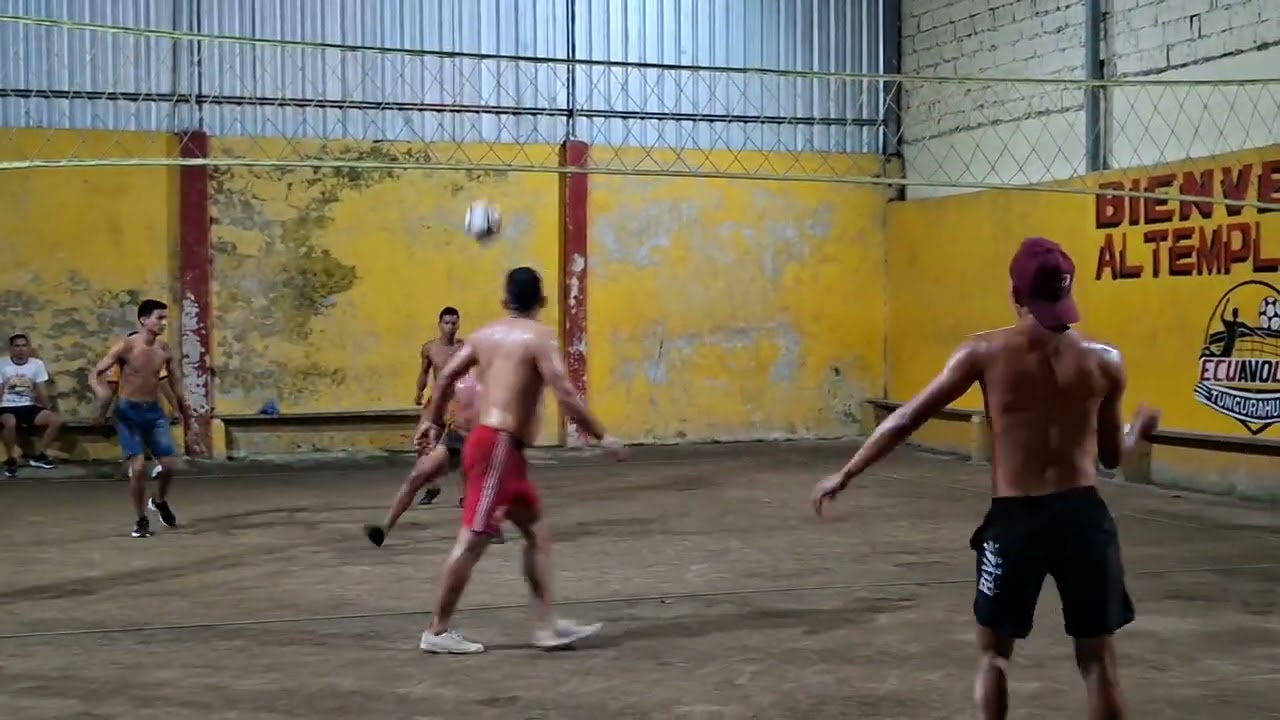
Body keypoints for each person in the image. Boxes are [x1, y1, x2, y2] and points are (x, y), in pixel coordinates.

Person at [812, 237, 1159, 720]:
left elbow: (906, 418)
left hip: (1017, 520)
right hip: (1083, 518)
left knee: (995, 656)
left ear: (1015, 294)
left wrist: (845, 472)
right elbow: (1110, 458)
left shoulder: (985, 352)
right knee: (1099, 662)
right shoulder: (1105, 362)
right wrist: (1136, 433)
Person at [414, 266, 628, 654]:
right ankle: (437, 630)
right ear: (542, 302)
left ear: (504, 301)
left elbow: (444, 379)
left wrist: (430, 422)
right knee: (473, 540)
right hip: (497, 448)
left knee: (537, 534)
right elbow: (564, 392)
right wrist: (603, 435)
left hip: (502, 450)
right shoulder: (539, 336)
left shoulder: (482, 336)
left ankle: (546, 627)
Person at [88, 299, 195, 539]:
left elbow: (172, 383)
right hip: (128, 413)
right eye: (159, 318)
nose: (164, 323)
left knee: (169, 466)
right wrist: (101, 399)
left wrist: (181, 411)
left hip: (154, 413)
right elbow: (95, 373)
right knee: (137, 469)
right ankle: (140, 519)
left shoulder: (164, 350)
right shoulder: (126, 347)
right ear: (144, 320)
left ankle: (158, 501)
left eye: (166, 318)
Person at [364, 369, 484, 547]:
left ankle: (486, 525)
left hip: (481, 439)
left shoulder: (496, 376)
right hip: (453, 436)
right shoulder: (457, 376)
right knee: (416, 476)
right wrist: (431, 428)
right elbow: (437, 408)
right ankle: (384, 528)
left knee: (474, 490)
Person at [106, 330, 180, 482]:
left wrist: (104, 412)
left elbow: (165, 385)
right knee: (144, 444)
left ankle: (143, 468)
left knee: (140, 444)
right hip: (136, 408)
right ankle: (143, 467)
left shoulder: (149, 361)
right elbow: (112, 389)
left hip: (140, 409)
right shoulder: (124, 364)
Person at [413, 306, 467, 508]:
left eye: (454, 323)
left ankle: (466, 494)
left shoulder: (465, 348)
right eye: (446, 323)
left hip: (458, 402)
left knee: (464, 449)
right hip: (436, 401)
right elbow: (423, 372)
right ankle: (432, 486)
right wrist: (419, 391)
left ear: (458, 324)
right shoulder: (430, 348)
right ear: (439, 324)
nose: (450, 327)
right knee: (423, 442)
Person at [0, 333, 64, 477]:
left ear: (28, 348)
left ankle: (39, 455)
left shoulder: (36, 364)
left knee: (56, 420)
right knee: (9, 423)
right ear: (11, 348)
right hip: (7, 406)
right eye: (17, 346)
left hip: (29, 405)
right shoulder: (2, 364)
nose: (21, 349)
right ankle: (11, 459)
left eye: (24, 346)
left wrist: (48, 407)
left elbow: (41, 389)